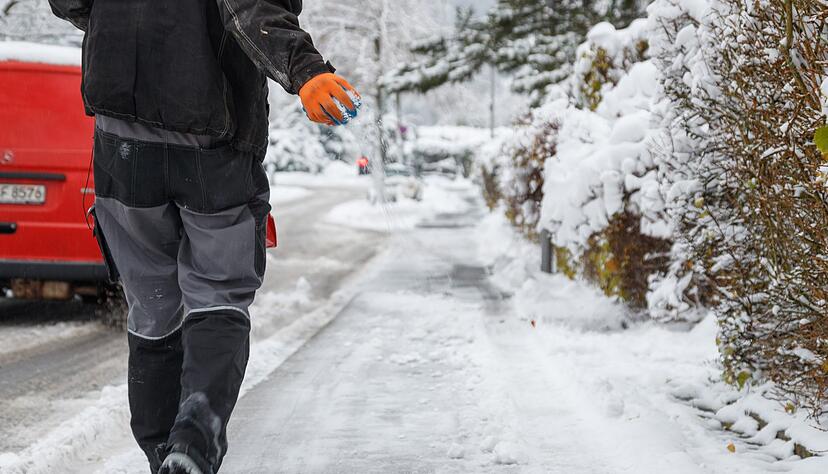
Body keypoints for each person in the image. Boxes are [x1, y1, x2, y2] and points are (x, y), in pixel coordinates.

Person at [47, 1, 360, 473]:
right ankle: (192, 442)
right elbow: (249, 8)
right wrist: (306, 71)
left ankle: (161, 453)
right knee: (218, 292)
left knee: (152, 304)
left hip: (121, 140)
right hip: (210, 136)